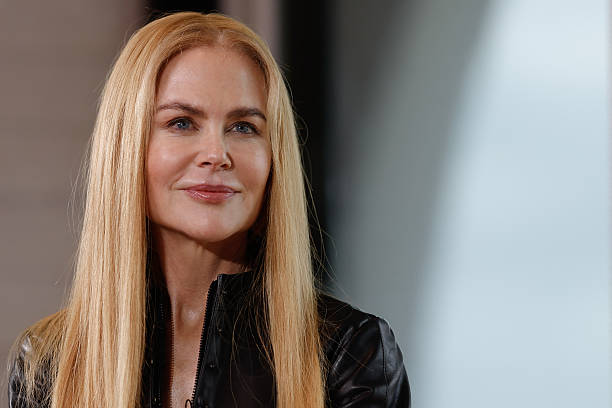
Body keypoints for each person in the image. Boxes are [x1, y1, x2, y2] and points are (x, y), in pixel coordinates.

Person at [7, 12, 410, 408]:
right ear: (126, 148)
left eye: (244, 127)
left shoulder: (351, 356)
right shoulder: (50, 363)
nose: (217, 154)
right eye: (182, 123)